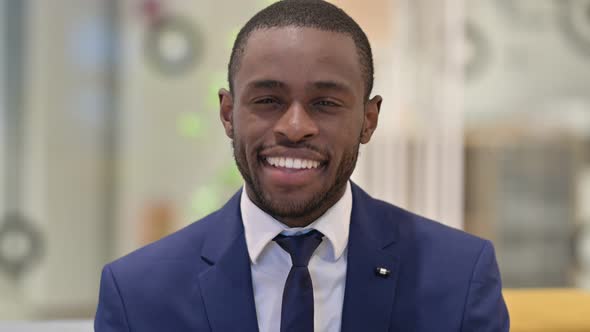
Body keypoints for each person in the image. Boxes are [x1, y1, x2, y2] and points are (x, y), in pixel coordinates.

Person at [94, 0, 510, 331]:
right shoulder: (138, 293)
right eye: (267, 101)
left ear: (368, 120)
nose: (295, 127)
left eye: (325, 103)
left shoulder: (458, 277)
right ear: (227, 113)